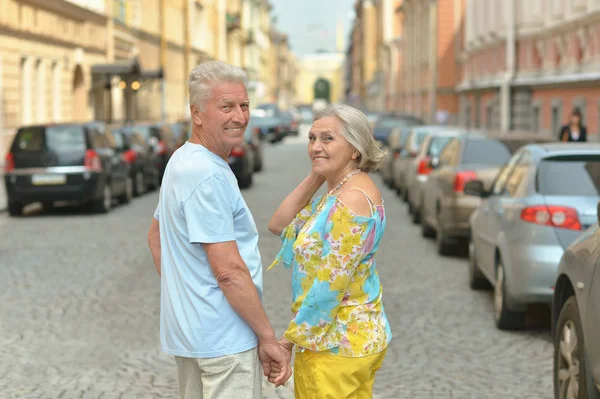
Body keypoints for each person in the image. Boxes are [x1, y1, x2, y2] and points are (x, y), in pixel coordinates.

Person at [147, 61, 291, 399]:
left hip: (192, 336)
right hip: (224, 341)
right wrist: (268, 337)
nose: (240, 117)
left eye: (244, 105)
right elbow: (228, 270)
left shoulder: (184, 160)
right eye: (226, 106)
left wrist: (188, 298)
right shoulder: (206, 173)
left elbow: (156, 237)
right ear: (197, 114)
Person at [267, 103, 392, 398]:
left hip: (335, 344)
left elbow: (330, 284)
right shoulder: (337, 192)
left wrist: (288, 341)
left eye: (327, 139)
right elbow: (279, 224)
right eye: (312, 139)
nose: (315, 147)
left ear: (355, 149)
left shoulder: (351, 200)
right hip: (344, 339)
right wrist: (319, 173)